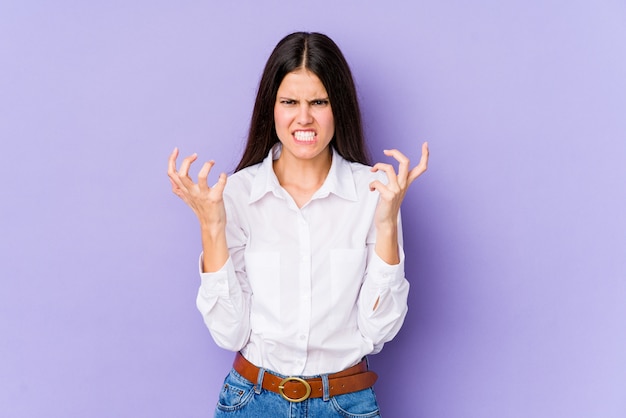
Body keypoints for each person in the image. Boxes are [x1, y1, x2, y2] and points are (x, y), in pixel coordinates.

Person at [167, 31, 428, 417]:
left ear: (337, 106)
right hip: (251, 402)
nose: (303, 117)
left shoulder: (373, 192)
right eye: (290, 101)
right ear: (271, 108)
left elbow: (378, 331)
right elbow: (230, 333)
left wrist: (387, 222)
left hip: (345, 403)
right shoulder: (236, 194)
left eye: (318, 102)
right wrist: (212, 227)